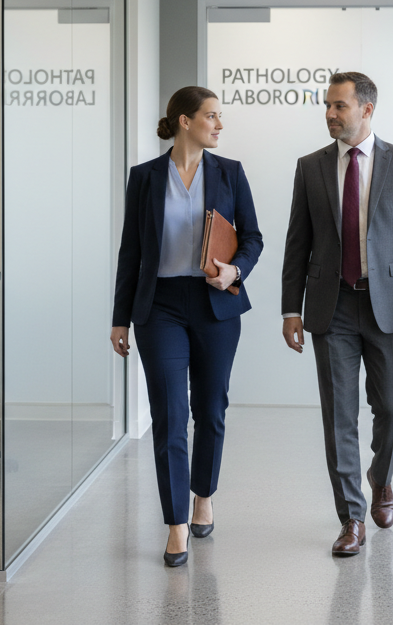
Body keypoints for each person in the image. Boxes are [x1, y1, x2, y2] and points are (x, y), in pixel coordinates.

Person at [280, 71, 393, 556]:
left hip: (387, 306)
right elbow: (297, 242)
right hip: (332, 307)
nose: (330, 114)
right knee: (338, 417)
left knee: (391, 408)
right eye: (327, 105)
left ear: (366, 110)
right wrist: (291, 308)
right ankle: (351, 518)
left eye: (339, 106)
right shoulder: (310, 167)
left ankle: (381, 478)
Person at [110, 86, 263, 567]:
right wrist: (120, 317)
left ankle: (203, 495)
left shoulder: (230, 173)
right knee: (171, 416)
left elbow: (253, 238)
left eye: (220, 117)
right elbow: (130, 251)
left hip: (215, 303)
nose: (219, 125)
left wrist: (234, 272)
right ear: (183, 121)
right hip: (161, 308)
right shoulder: (146, 177)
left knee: (210, 410)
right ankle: (176, 523)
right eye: (211, 116)